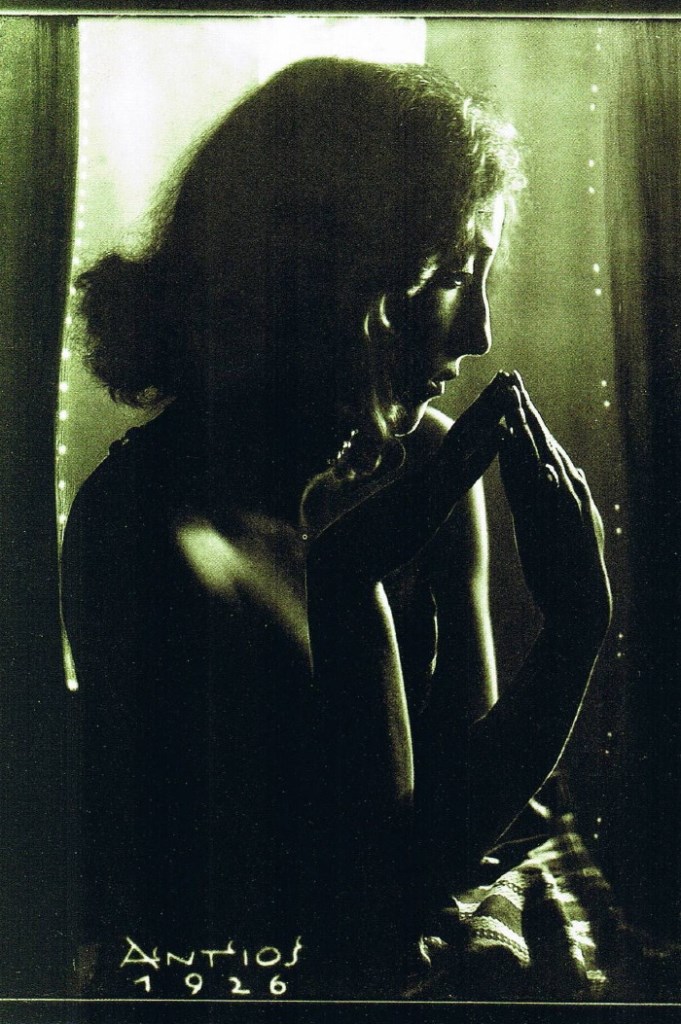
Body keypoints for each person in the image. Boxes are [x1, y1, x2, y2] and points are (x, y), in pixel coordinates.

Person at [62, 57, 611, 999]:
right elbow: (365, 897)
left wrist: (575, 628)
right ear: (326, 281)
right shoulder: (153, 537)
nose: (478, 333)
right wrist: (561, 632)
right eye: (450, 277)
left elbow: (456, 818)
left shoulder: (425, 459)